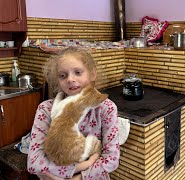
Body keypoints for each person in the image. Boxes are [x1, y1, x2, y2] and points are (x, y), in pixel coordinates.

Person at [27, 47, 120, 179]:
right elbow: (33, 163)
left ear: (92, 74)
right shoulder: (46, 109)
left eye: (77, 72)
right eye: (62, 75)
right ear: (58, 80)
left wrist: (80, 177)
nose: (70, 79)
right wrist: (83, 165)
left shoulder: (105, 108)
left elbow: (111, 159)